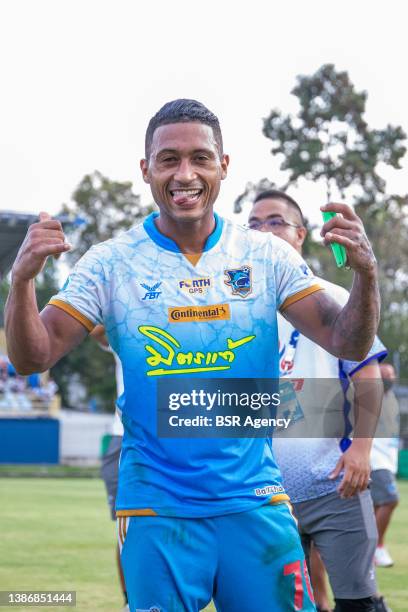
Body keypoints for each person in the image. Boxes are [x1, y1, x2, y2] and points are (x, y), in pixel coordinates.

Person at [5, 99, 380, 612]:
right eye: (169, 159)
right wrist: (22, 282)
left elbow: (348, 342)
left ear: (223, 166)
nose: (186, 174)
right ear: (146, 170)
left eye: (201, 158)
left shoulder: (266, 255)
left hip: (254, 501)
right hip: (157, 507)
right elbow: (33, 357)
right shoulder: (111, 264)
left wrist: (366, 275)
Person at [248, 189, 390, 612]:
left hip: (333, 484)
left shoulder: (331, 296)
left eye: (275, 221)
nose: (263, 231)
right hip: (261, 492)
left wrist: (362, 450)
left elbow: (366, 371)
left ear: (300, 235)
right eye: (253, 224)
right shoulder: (237, 307)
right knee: (275, 603)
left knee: (358, 601)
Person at [90, 325, 128, 611]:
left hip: (182, 432)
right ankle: (131, 601)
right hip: (124, 435)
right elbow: (94, 330)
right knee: (127, 525)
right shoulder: (127, 324)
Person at [371, 363, 400, 568]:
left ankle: (367, 548)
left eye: (391, 375)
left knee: (373, 507)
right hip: (375, 458)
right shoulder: (371, 395)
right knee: (391, 499)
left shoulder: (392, 399)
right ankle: (377, 547)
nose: (389, 378)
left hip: (387, 459)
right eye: (384, 376)